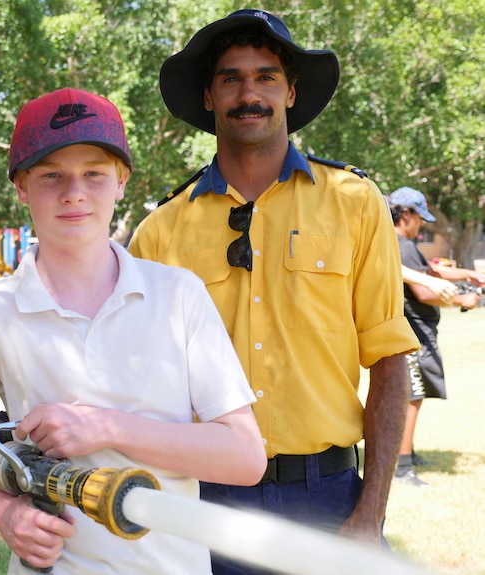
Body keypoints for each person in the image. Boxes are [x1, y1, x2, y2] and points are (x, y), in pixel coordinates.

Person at [0, 87, 266, 574]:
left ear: (121, 181)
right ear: (21, 187)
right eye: (52, 175)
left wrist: (104, 426)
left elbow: (244, 457)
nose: (74, 192)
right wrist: (0, 510)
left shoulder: (179, 295)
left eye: (94, 173)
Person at [127, 9, 420, 573]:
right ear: (210, 97)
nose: (249, 93)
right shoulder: (159, 232)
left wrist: (370, 515)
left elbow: (388, 359)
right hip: (204, 501)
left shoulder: (355, 202)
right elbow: (136, 387)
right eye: (231, 78)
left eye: (265, 77)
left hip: (328, 496)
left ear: (289, 91)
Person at [389, 186, 483, 487]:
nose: (422, 225)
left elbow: (432, 272)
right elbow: (424, 289)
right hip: (412, 334)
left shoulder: (404, 244)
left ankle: (409, 453)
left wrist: (468, 275)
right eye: (419, 218)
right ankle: (403, 468)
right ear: (406, 214)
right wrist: (463, 301)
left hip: (421, 331)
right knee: (411, 397)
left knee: (415, 395)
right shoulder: (400, 245)